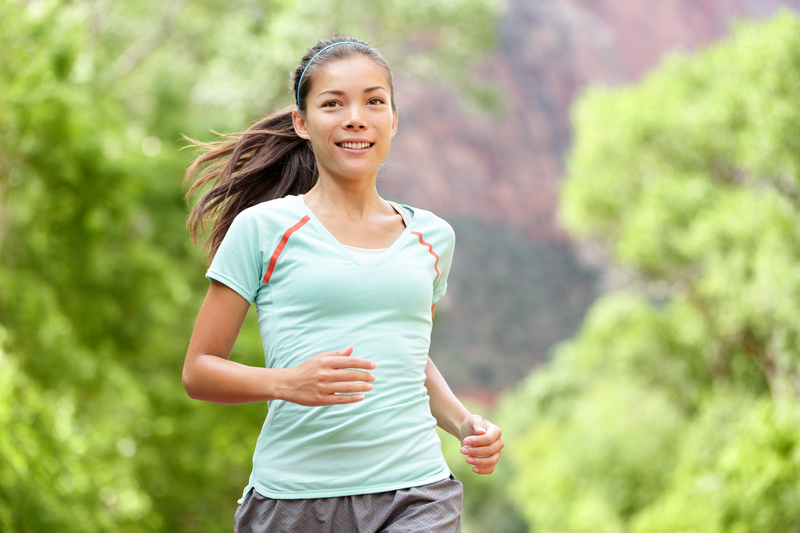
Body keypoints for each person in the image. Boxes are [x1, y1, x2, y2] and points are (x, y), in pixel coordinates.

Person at [181, 36, 504, 533]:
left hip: (416, 491)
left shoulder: (433, 237)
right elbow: (199, 371)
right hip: (293, 502)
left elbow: (407, 357)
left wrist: (464, 423)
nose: (356, 117)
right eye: (333, 103)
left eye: (374, 101)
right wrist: (287, 383)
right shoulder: (263, 229)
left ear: (393, 119)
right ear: (302, 122)